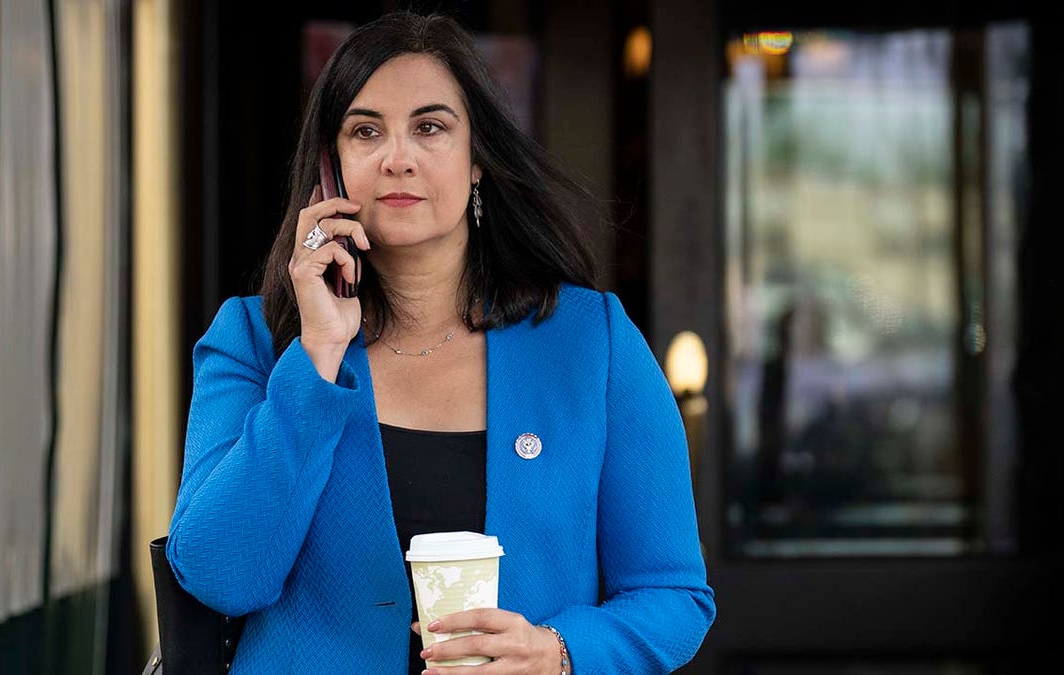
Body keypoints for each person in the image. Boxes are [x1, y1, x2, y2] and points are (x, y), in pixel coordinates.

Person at [166, 11, 715, 674]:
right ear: (330, 169)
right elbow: (219, 574)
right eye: (366, 131)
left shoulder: (590, 343)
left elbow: (673, 594)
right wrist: (316, 356)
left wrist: (557, 652)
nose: (397, 157)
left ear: (477, 160)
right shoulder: (254, 341)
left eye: (430, 127)